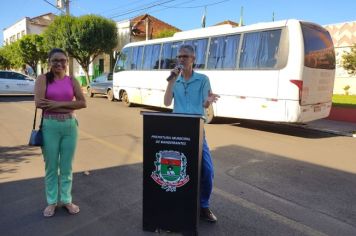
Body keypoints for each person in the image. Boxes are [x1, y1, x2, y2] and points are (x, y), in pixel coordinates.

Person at [164, 44, 220, 223]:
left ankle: (203, 206)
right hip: (177, 131)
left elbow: (204, 104)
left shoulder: (203, 79)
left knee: (207, 170)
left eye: (185, 57)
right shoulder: (175, 80)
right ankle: (179, 203)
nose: (181, 59)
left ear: (193, 59)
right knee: (179, 169)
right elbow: (166, 103)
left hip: (197, 130)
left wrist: (209, 102)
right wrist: (172, 80)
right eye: (179, 56)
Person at [34, 48, 87, 217]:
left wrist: (55, 104)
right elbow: (39, 102)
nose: (59, 63)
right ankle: (51, 202)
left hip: (70, 126)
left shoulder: (73, 80)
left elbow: (82, 102)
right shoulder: (43, 79)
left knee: (66, 166)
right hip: (50, 126)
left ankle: (66, 200)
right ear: (49, 62)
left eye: (63, 60)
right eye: (55, 60)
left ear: (67, 61)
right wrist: (68, 104)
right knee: (51, 166)